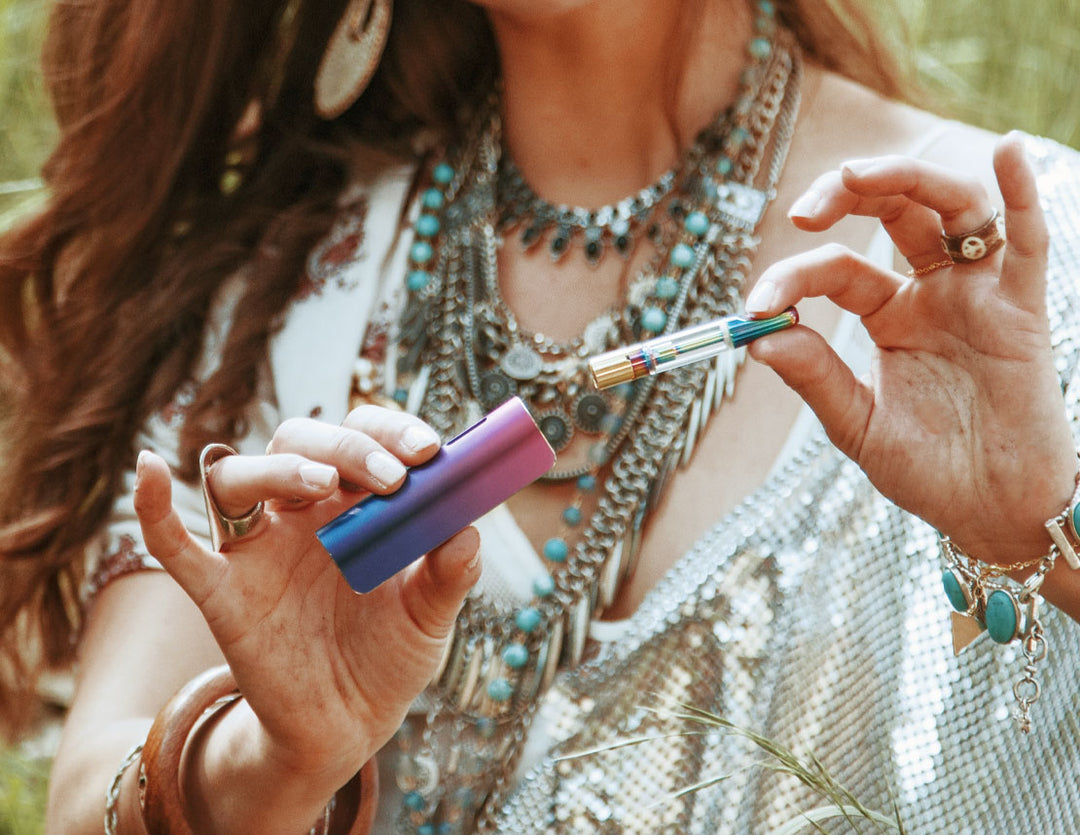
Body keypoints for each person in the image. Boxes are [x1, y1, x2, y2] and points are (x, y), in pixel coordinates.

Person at [2, 0, 1080, 832]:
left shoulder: (1023, 260)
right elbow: (91, 791)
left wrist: (1045, 535)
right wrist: (268, 757)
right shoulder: (291, 298)